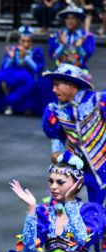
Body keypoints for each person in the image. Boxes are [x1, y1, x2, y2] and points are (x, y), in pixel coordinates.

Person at [42, 64, 106, 211]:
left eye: (57, 85)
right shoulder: (55, 109)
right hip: (73, 162)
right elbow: (56, 135)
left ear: (70, 85)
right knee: (58, 199)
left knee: (96, 208)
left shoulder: (97, 101)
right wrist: (56, 151)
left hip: (101, 163)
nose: (54, 90)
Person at [0, 26, 47, 116]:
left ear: (31, 42)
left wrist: (26, 58)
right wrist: (11, 58)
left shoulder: (36, 52)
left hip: (30, 75)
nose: (25, 44)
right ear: (19, 41)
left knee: (29, 82)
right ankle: (9, 104)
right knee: (3, 80)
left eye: (28, 41)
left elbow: (37, 68)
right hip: (14, 74)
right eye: (23, 41)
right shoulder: (13, 51)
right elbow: (4, 67)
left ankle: (21, 105)